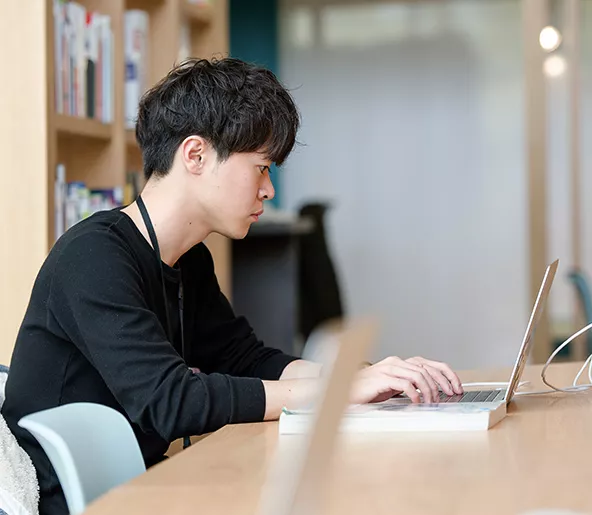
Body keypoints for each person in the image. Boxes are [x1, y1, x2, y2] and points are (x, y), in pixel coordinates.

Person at [1, 57, 463, 515]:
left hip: (145, 483)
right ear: (196, 155)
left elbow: (245, 359)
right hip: (70, 501)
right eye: (261, 167)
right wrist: (339, 391)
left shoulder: (188, 257)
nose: (269, 190)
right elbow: (172, 403)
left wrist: (367, 377)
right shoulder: (93, 257)